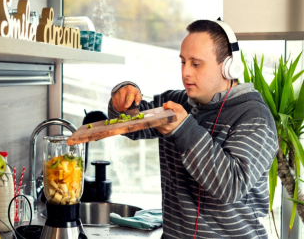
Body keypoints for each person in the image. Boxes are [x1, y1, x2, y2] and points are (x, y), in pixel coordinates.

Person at [108, 20, 278, 238]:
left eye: (196, 64)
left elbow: (230, 186)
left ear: (228, 66)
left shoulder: (254, 117)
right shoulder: (176, 102)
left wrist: (183, 128)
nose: (185, 72)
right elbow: (129, 126)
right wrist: (122, 100)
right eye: (183, 62)